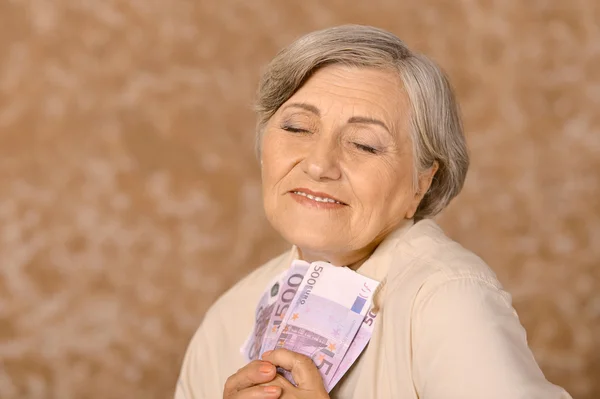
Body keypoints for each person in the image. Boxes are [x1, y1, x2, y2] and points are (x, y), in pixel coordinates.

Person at [175, 25, 572, 399]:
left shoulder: (447, 298)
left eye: (364, 144)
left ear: (423, 182)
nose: (318, 165)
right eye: (297, 127)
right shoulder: (228, 318)